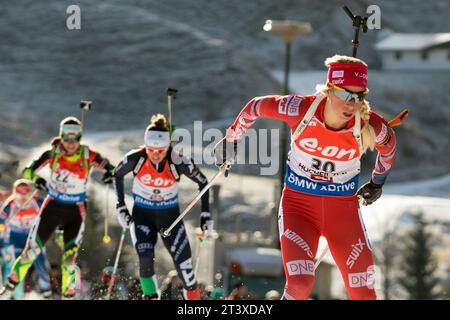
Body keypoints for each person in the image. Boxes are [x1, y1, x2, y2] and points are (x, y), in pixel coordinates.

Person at [218, 55, 397, 300]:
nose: (351, 104)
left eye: (359, 97)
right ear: (329, 90)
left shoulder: (370, 125)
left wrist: (377, 182)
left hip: (343, 214)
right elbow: (256, 106)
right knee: (300, 285)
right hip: (299, 208)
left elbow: (389, 148)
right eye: (345, 95)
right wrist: (231, 139)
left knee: (364, 294)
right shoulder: (299, 109)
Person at [1, 116, 115, 298]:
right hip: (52, 207)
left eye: (75, 139)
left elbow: (110, 167)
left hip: (75, 212)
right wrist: (37, 180)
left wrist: (110, 173)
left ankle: (68, 294)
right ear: (61, 137)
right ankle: (9, 287)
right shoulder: (53, 154)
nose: (71, 144)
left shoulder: (87, 155)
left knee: (69, 262)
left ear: (80, 138)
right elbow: (28, 170)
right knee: (29, 253)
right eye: (67, 139)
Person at [113, 114, 213, 300]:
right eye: (151, 150)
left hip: (170, 220)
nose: (156, 154)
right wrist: (121, 208)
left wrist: (206, 215)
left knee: (185, 270)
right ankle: (150, 296)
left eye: (160, 150)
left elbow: (203, 182)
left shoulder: (178, 161)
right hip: (143, 217)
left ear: (167, 147)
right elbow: (116, 175)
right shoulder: (136, 158)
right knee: (145, 259)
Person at [0, 179, 51, 299]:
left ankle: (46, 290)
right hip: (16, 236)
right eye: (19, 194)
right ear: (14, 193)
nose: (23, 197)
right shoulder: (10, 204)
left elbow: (52, 210)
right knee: (16, 262)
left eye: (25, 194)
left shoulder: (36, 201)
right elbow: (1, 220)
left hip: (32, 235)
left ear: (30, 192)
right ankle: (12, 290)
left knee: (40, 261)